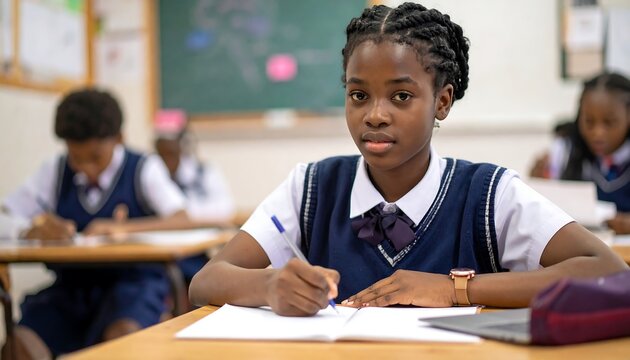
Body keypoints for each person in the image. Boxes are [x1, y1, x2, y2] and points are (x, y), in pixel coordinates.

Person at [188, 2, 628, 317]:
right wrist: (268, 284)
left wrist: (455, 289)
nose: (375, 115)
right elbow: (205, 282)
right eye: (358, 95)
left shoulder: (488, 194)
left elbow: (606, 271)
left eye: (401, 96)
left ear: (442, 101)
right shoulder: (313, 187)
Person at [0, 88, 189, 358]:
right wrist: (29, 229)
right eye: (77, 158)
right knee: (19, 343)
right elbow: (4, 215)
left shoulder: (143, 168)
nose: (86, 168)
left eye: (96, 157)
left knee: (124, 339)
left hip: (133, 283)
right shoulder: (55, 170)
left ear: (119, 139)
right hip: (72, 288)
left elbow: (182, 219)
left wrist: (124, 229)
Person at [529, 72, 630, 234]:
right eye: (589, 122)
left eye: (609, 122)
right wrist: (538, 186)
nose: (598, 133)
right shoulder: (565, 152)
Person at [154, 109, 236, 283]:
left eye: (170, 153)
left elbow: (225, 208)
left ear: (183, 147)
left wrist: (184, 215)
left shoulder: (203, 171)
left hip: (193, 253)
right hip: (160, 251)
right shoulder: (152, 174)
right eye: (160, 153)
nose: (165, 160)